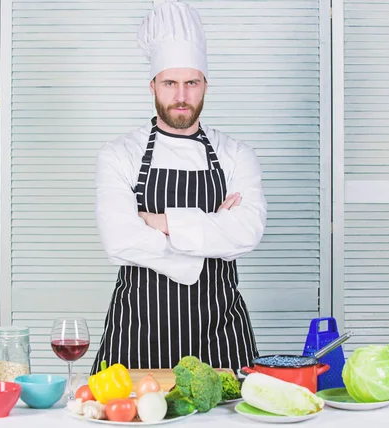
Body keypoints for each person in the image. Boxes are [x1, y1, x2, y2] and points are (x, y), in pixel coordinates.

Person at [91, 0, 267, 375]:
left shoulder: (236, 154)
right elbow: (120, 240)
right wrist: (211, 231)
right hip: (138, 334)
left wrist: (160, 222)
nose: (181, 95)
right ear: (153, 84)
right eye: (170, 83)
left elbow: (247, 233)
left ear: (205, 84)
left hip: (220, 333)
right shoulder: (119, 154)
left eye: (192, 82)